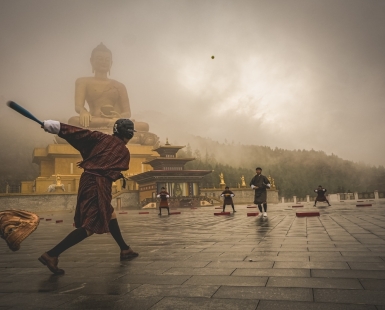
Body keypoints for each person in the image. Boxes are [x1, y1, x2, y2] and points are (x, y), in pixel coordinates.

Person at [38, 118, 138, 275]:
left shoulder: (101, 137)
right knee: (90, 226)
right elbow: (111, 168)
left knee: (110, 213)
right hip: (98, 185)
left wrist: (57, 128)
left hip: (88, 180)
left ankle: (125, 249)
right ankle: (52, 254)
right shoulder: (124, 152)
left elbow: (80, 134)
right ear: (130, 135)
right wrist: (115, 174)